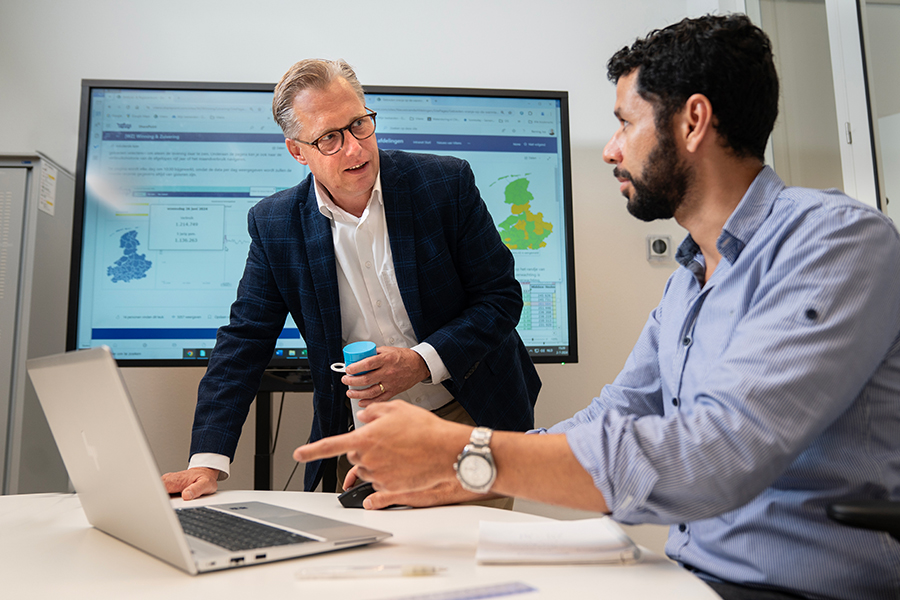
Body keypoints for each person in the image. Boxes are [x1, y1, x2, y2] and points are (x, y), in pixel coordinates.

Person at [294, 14, 900, 600]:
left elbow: (714, 455)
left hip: (792, 588)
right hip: (686, 575)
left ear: (693, 122)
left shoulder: (835, 243)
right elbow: (616, 413)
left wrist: (465, 453)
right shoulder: (691, 280)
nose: (611, 150)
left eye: (625, 123)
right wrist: (451, 472)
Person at [162, 59, 540, 500]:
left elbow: (499, 299)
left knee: (466, 557)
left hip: (466, 413)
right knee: (365, 561)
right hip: (365, 433)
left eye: (360, 124)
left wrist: (420, 361)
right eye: (329, 138)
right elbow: (245, 341)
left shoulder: (444, 184)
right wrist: (207, 462)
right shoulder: (275, 224)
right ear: (297, 151)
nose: (356, 150)